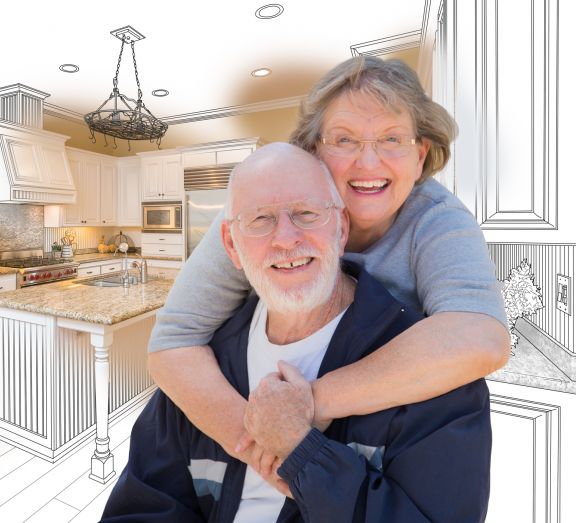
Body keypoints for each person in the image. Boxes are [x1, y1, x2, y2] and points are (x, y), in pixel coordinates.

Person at [147, 56, 509, 480]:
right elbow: (173, 342)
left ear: (420, 154)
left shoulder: (438, 219)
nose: (368, 164)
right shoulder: (255, 218)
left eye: (392, 139)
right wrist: (260, 448)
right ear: (313, 150)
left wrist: (310, 404)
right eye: (344, 140)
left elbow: (481, 336)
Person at [101, 144, 491, 522]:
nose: (286, 239)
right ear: (231, 246)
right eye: (260, 219)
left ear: (341, 229)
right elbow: (143, 505)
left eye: (306, 213)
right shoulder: (202, 370)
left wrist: (305, 456)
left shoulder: (434, 377)